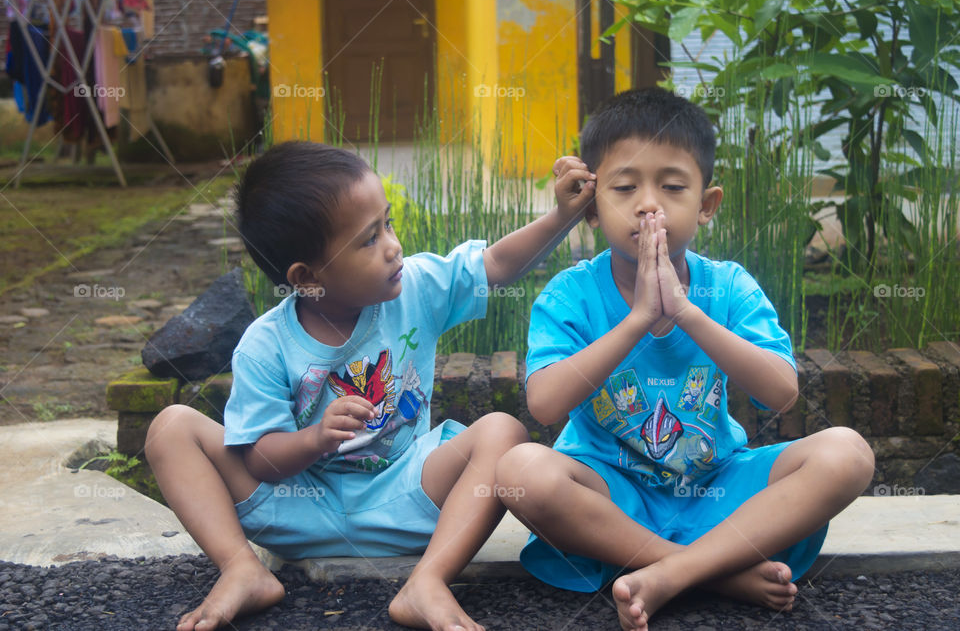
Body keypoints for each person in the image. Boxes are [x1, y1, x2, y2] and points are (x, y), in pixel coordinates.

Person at [144, 140, 595, 631]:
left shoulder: (413, 288)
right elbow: (258, 461)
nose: (393, 246)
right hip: (299, 509)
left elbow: (496, 266)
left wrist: (561, 217)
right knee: (171, 428)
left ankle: (428, 581)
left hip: (404, 497)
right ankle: (241, 568)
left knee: (503, 431)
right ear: (308, 277)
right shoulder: (265, 345)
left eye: (389, 223)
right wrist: (314, 439)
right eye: (368, 239)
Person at [493, 88, 875, 631]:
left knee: (848, 453)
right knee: (517, 470)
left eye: (673, 187)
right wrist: (636, 321)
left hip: (716, 489)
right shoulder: (569, 294)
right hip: (610, 502)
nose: (649, 204)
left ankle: (672, 571)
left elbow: (781, 391)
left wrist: (687, 313)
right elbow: (545, 405)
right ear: (592, 209)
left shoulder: (729, 285)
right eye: (624, 187)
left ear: (707, 204)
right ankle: (708, 572)